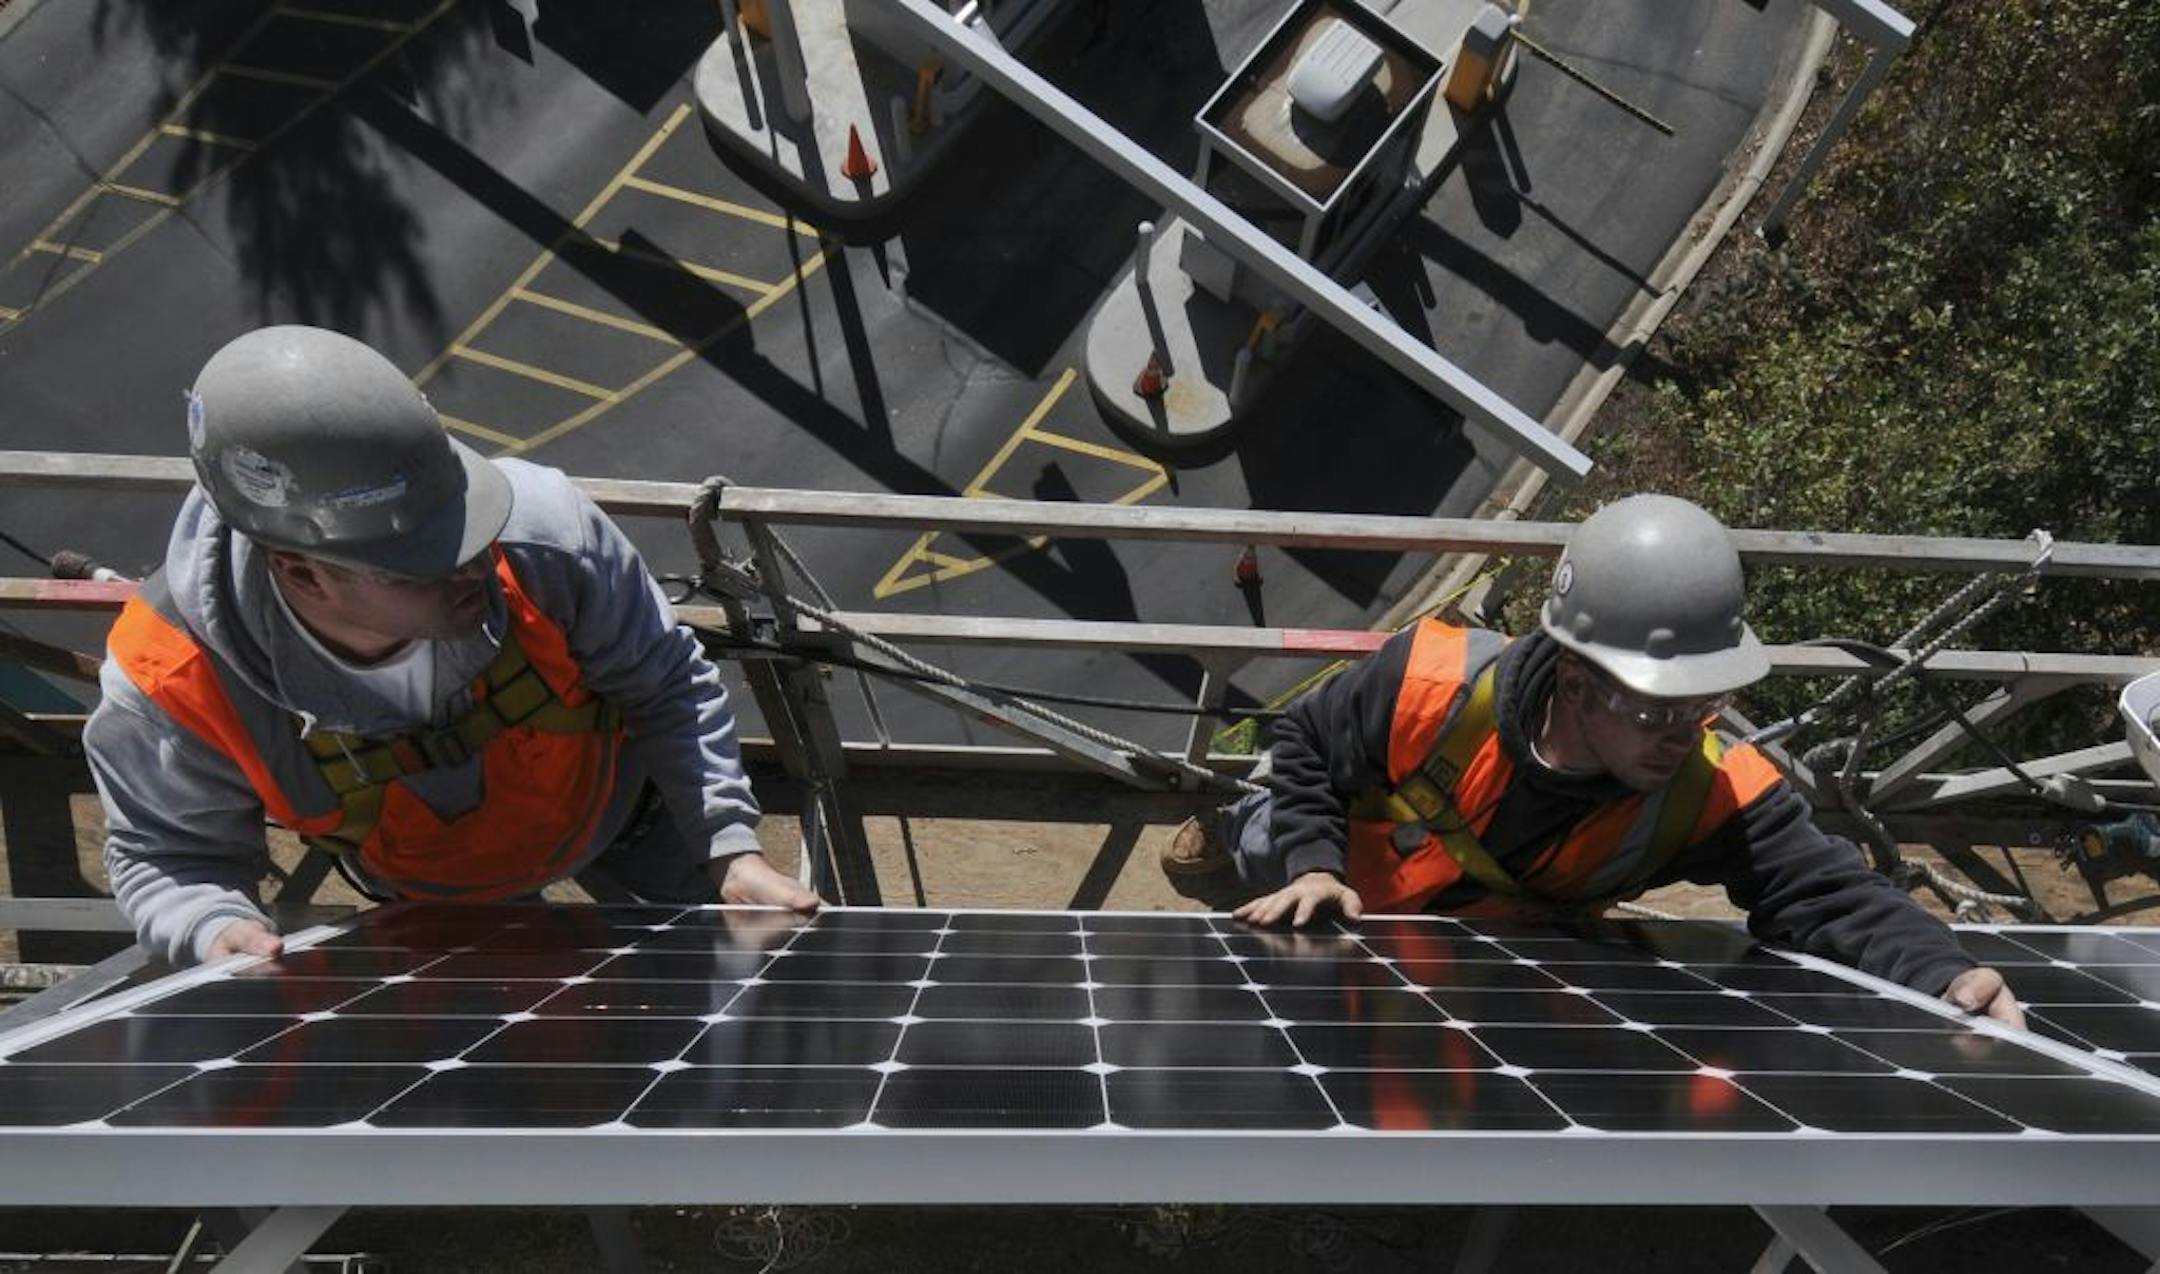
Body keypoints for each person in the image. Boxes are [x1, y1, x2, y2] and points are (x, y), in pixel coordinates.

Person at [87, 325, 816, 966]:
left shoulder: (543, 536)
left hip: (624, 815)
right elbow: (169, 855)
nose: (474, 564)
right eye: (426, 558)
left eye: (466, 524)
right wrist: (214, 928)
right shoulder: (172, 675)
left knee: (736, 1002)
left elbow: (666, 683)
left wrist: (727, 843)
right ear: (302, 572)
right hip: (434, 894)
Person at [1164, 494, 2024, 1027]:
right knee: (1270, 845)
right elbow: (1306, 738)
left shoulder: (1713, 791)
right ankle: (1227, 840)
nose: (1684, 733)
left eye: (1704, 704)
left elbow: (1827, 891)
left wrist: (1947, 970)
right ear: (1574, 681)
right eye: (1655, 707)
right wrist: (1315, 864)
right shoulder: (1430, 680)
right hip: (1342, 874)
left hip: (1475, 940)